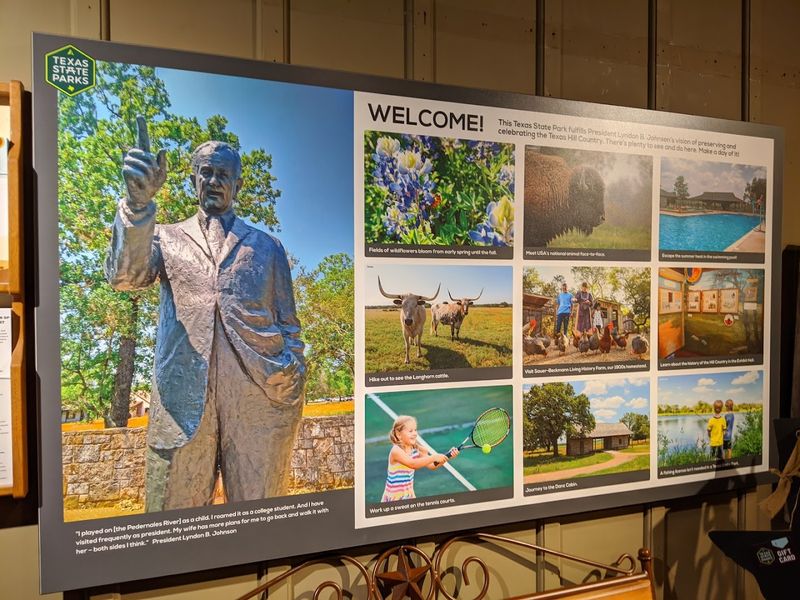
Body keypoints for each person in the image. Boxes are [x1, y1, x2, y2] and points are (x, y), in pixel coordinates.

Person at [105, 118, 305, 511]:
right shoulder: (163, 236)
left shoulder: (267, 247)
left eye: (224, 175)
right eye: (206, 173)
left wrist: (293, 371)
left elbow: (289, 324)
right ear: (193, 180)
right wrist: (138, 207)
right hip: (181, 405)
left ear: (238, 184)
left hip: (262, 399)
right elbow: (125, 277)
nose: (214, 181)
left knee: (263, 524)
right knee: (171, 528)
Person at [381, 415, 458, 502]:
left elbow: (432, 465)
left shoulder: (417, 449)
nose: (414, 433)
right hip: (393, 498)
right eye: (410, 431)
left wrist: (448, 456)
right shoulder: (396, 451)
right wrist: (434, 457)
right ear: (399, 434)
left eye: (415, 430)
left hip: (409, 496)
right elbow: (413, 464)